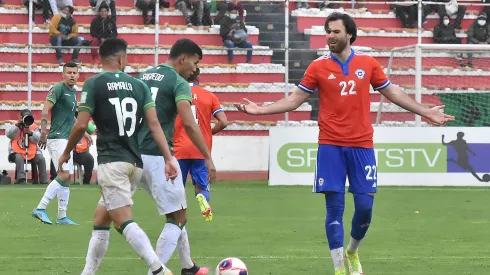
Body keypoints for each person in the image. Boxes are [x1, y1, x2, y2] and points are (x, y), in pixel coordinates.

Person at [235, 12, 455, 275]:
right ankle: (339, 268)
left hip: (362, 146)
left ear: (349, 34)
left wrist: (426, 111)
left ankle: (352, 251)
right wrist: (260, 110)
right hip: (330, 146)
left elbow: (392, 92)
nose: (330, 36)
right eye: (327, 31)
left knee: (364, 209)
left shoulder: (367, 62)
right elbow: (294, 100)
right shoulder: (317, 66)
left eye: (336, 31)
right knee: (334, 208)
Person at [58, 38, 176, 275]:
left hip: (112, 162)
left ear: (99, 58)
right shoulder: (139, 85)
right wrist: (169, 158)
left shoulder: (94, 83)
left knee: (123, 221)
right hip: (135, 163)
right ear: (122, 58)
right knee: (101, 219)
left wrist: (66, 152)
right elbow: (154, 125)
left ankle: (158, 269)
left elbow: (81, 125)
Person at [136, 38, 215, 275]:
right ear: (183, 58)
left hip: (134, 155)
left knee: (176, 209)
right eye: (194, 62)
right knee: (179, 216)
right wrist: (208, 157)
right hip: (158, 156)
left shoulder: (143, 76)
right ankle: (155, 272)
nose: (195, 68)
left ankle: (188, 266)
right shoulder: (178, 82)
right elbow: (190, 124)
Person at [173, 68, 228, 222]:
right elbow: (223, 121)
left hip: (179, 148)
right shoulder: (209, 96)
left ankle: (176, 218)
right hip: (201, 149)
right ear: (198, 77)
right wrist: (208, 133)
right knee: (201, 186)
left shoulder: (175, 95)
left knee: (176, 188)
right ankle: (201, 197)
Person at [31, 61, 81, 226]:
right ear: (63, 74)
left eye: (75, 73)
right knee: (64, 175)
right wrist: (43, 132)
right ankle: (40, 208)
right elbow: (45, 109)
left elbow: (73, 116)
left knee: (67, 178)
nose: (72, 75)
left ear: (78, 75)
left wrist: (85, 132)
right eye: (69, 73)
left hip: (67, 139)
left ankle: (62, 216)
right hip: (57, 137)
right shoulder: (58, 88)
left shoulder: (73, 93)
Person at [7, 109, 48, 184]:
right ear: (21, 117)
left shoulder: (34, 127)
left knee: (41, 158)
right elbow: (9, 135)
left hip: (32, 151)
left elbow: (38, 139)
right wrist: (17, 125)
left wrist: (30, 133)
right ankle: (21, 178)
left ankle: (43, 180)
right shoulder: (14, 124)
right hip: (15, 151)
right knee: (19, 157)